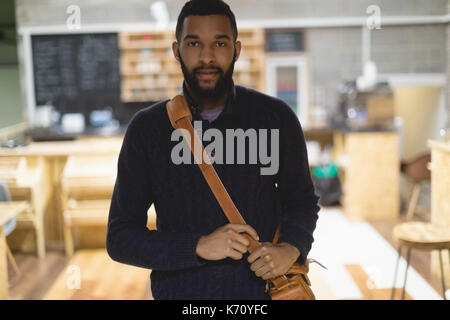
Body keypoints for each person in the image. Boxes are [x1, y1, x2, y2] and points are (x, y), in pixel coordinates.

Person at [107, 0, 320, 300]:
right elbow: (121, 237)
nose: (207, 57)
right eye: (194, 43)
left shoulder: (276, 118)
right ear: (176, 50)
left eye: (220, 43)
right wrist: (197, 246)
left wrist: (291, 248)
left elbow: (301, 201)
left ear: (237, 50)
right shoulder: (147, 131)